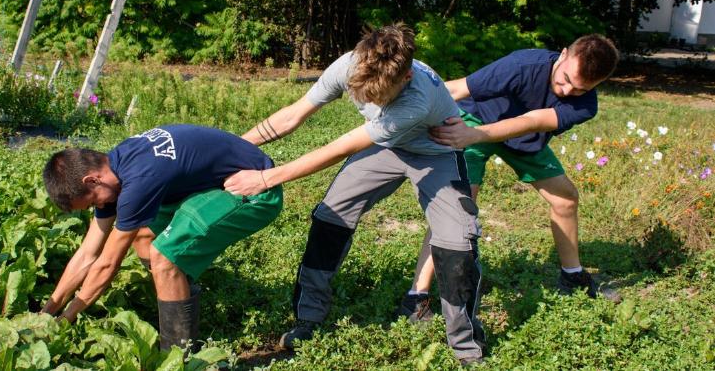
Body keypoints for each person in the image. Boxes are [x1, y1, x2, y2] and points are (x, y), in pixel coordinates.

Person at [224, 23, 486, 364]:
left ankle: (466, 348)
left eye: (378, 97)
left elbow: (339, 148)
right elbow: (294, 114)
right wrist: (226, 150)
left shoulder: (416, 100)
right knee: (330, 216)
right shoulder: (349, 65)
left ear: (404, 78)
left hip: (435, 152)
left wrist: (267, 178)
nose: (368, 101)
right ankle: (309, 319)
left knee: (457, 242)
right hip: (386, 148)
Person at [401, 34, 620, 317]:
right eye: (565, 79)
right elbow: (456, 89)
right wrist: (402, 102)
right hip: (473, 124)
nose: (566, 91)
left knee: (565, 199)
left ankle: (572, 274)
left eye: (579, 89)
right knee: (455, 211)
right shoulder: (521, 64)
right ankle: (416, 296)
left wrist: (478, 134)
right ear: (563, 54)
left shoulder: (586, 105)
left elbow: (532, 122)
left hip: (523, 138)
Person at [40, 124, 283, 350]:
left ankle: (179, 354)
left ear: (92, 180)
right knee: (143, 235)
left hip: (256, 189)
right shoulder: (116, 165)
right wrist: (47, 313)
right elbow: (87, 254)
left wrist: (66, 318)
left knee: (165, 258)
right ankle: (179, 295)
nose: (98, 206)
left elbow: (107, 264)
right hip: (217, 181)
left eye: (94, 201)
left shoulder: (139, 180)